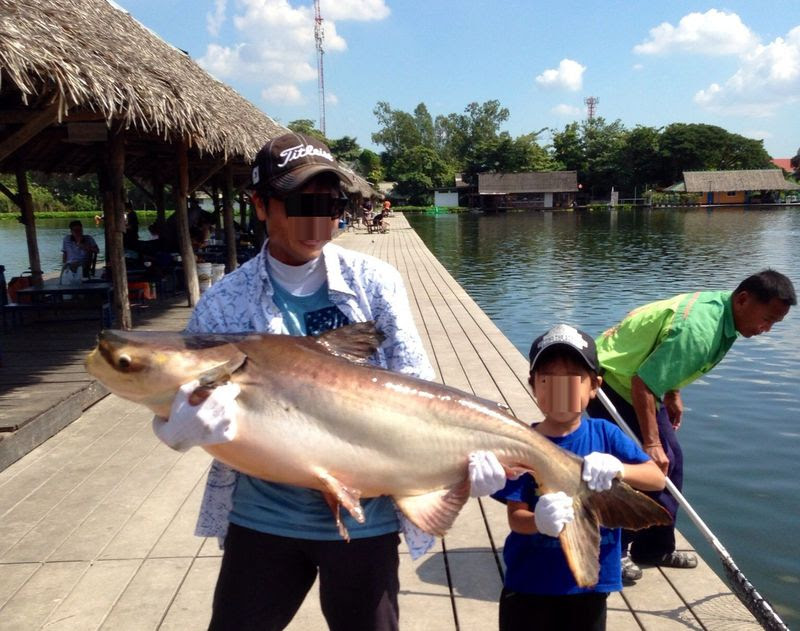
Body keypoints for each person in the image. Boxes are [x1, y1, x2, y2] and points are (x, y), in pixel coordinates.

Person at [150, 131, 501, 631]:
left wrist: (459, 463)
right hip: (262, 519)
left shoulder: (375, 282)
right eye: (300, 203)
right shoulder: (223, 303)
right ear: (260, 205)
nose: (319, 220)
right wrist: (175, 426)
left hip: (367, 521)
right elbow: (182, 400)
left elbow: (415, 382)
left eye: (331, 203)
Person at [586, 269, 796, 581]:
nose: (766, 329)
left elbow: (661, 358)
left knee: (672, 462)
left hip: (639, 382)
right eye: (767, 319)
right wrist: (651, 444)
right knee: (641, 467)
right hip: (611, 383)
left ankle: (653, 547)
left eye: (774, 324)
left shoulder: (722, 311)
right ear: (743, 300)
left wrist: (672, 392)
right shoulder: (701, 329)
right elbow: (642, 382)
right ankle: (612, 552)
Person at [492, 324, 665, 631]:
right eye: (548, 379)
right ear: (533, 385)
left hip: (589, 586)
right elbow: (516, 517)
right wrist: (538, 522)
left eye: (573, 378)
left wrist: (619, 468)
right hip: (529, 582)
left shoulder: (606, 434)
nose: (561, 389)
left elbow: (656, 479)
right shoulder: (524, 444)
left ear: (595, 385)